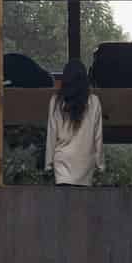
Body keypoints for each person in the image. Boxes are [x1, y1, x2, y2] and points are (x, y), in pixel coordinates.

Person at [45, 58, 103, 186]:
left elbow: (52, 134)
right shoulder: (94, 101)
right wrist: (100, 164)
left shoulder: (56, 101)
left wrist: (48, 163)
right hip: (85, 163)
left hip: (62, 163)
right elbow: (97, 136)